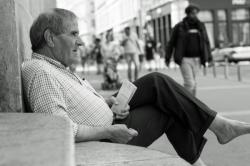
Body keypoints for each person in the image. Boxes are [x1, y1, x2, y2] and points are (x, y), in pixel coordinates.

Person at [22, 8, 250, 166]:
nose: (80, 42)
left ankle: (217, 130)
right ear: (50, 38)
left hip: (108, 120)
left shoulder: (55, 67)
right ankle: (219, 127)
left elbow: (72, 105)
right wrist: (109, 130)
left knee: (158, 85)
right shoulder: (41, 72)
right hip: (104, 137)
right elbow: (59, 129)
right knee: (163, 96)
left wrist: (106, 102)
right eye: (73, 34)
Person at [165, 5, 212, 96]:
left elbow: (206, 41)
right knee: (189, 83)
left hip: (198, 59)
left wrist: (209, 57)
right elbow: (171, 43)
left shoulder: (201, 26)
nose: (194, 15)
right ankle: (187, 102)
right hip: (184, 59)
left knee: (193, 82)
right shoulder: (179, 27)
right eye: (192, 13)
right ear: (187, 14)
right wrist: (167, 57)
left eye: (196, 13)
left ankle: (193, 102)